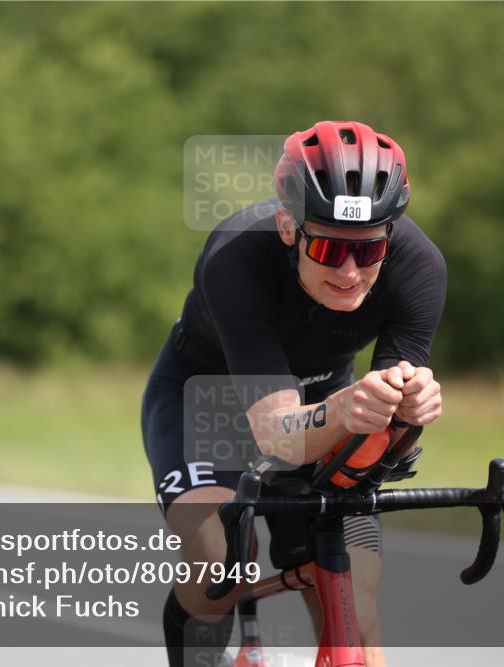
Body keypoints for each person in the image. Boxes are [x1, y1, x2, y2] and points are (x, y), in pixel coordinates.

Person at [142, 120, 447, 667]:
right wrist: (344, 409)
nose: (352, 272)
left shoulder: (419, 268)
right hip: (205, 402)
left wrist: (408, 415)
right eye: (330, 249)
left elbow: (387, 448)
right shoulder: (236, 256)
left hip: (326, 399)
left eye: (370, 250)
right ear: (288, 227)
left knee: (357, 590)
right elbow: (277, 438)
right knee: (222, 562)